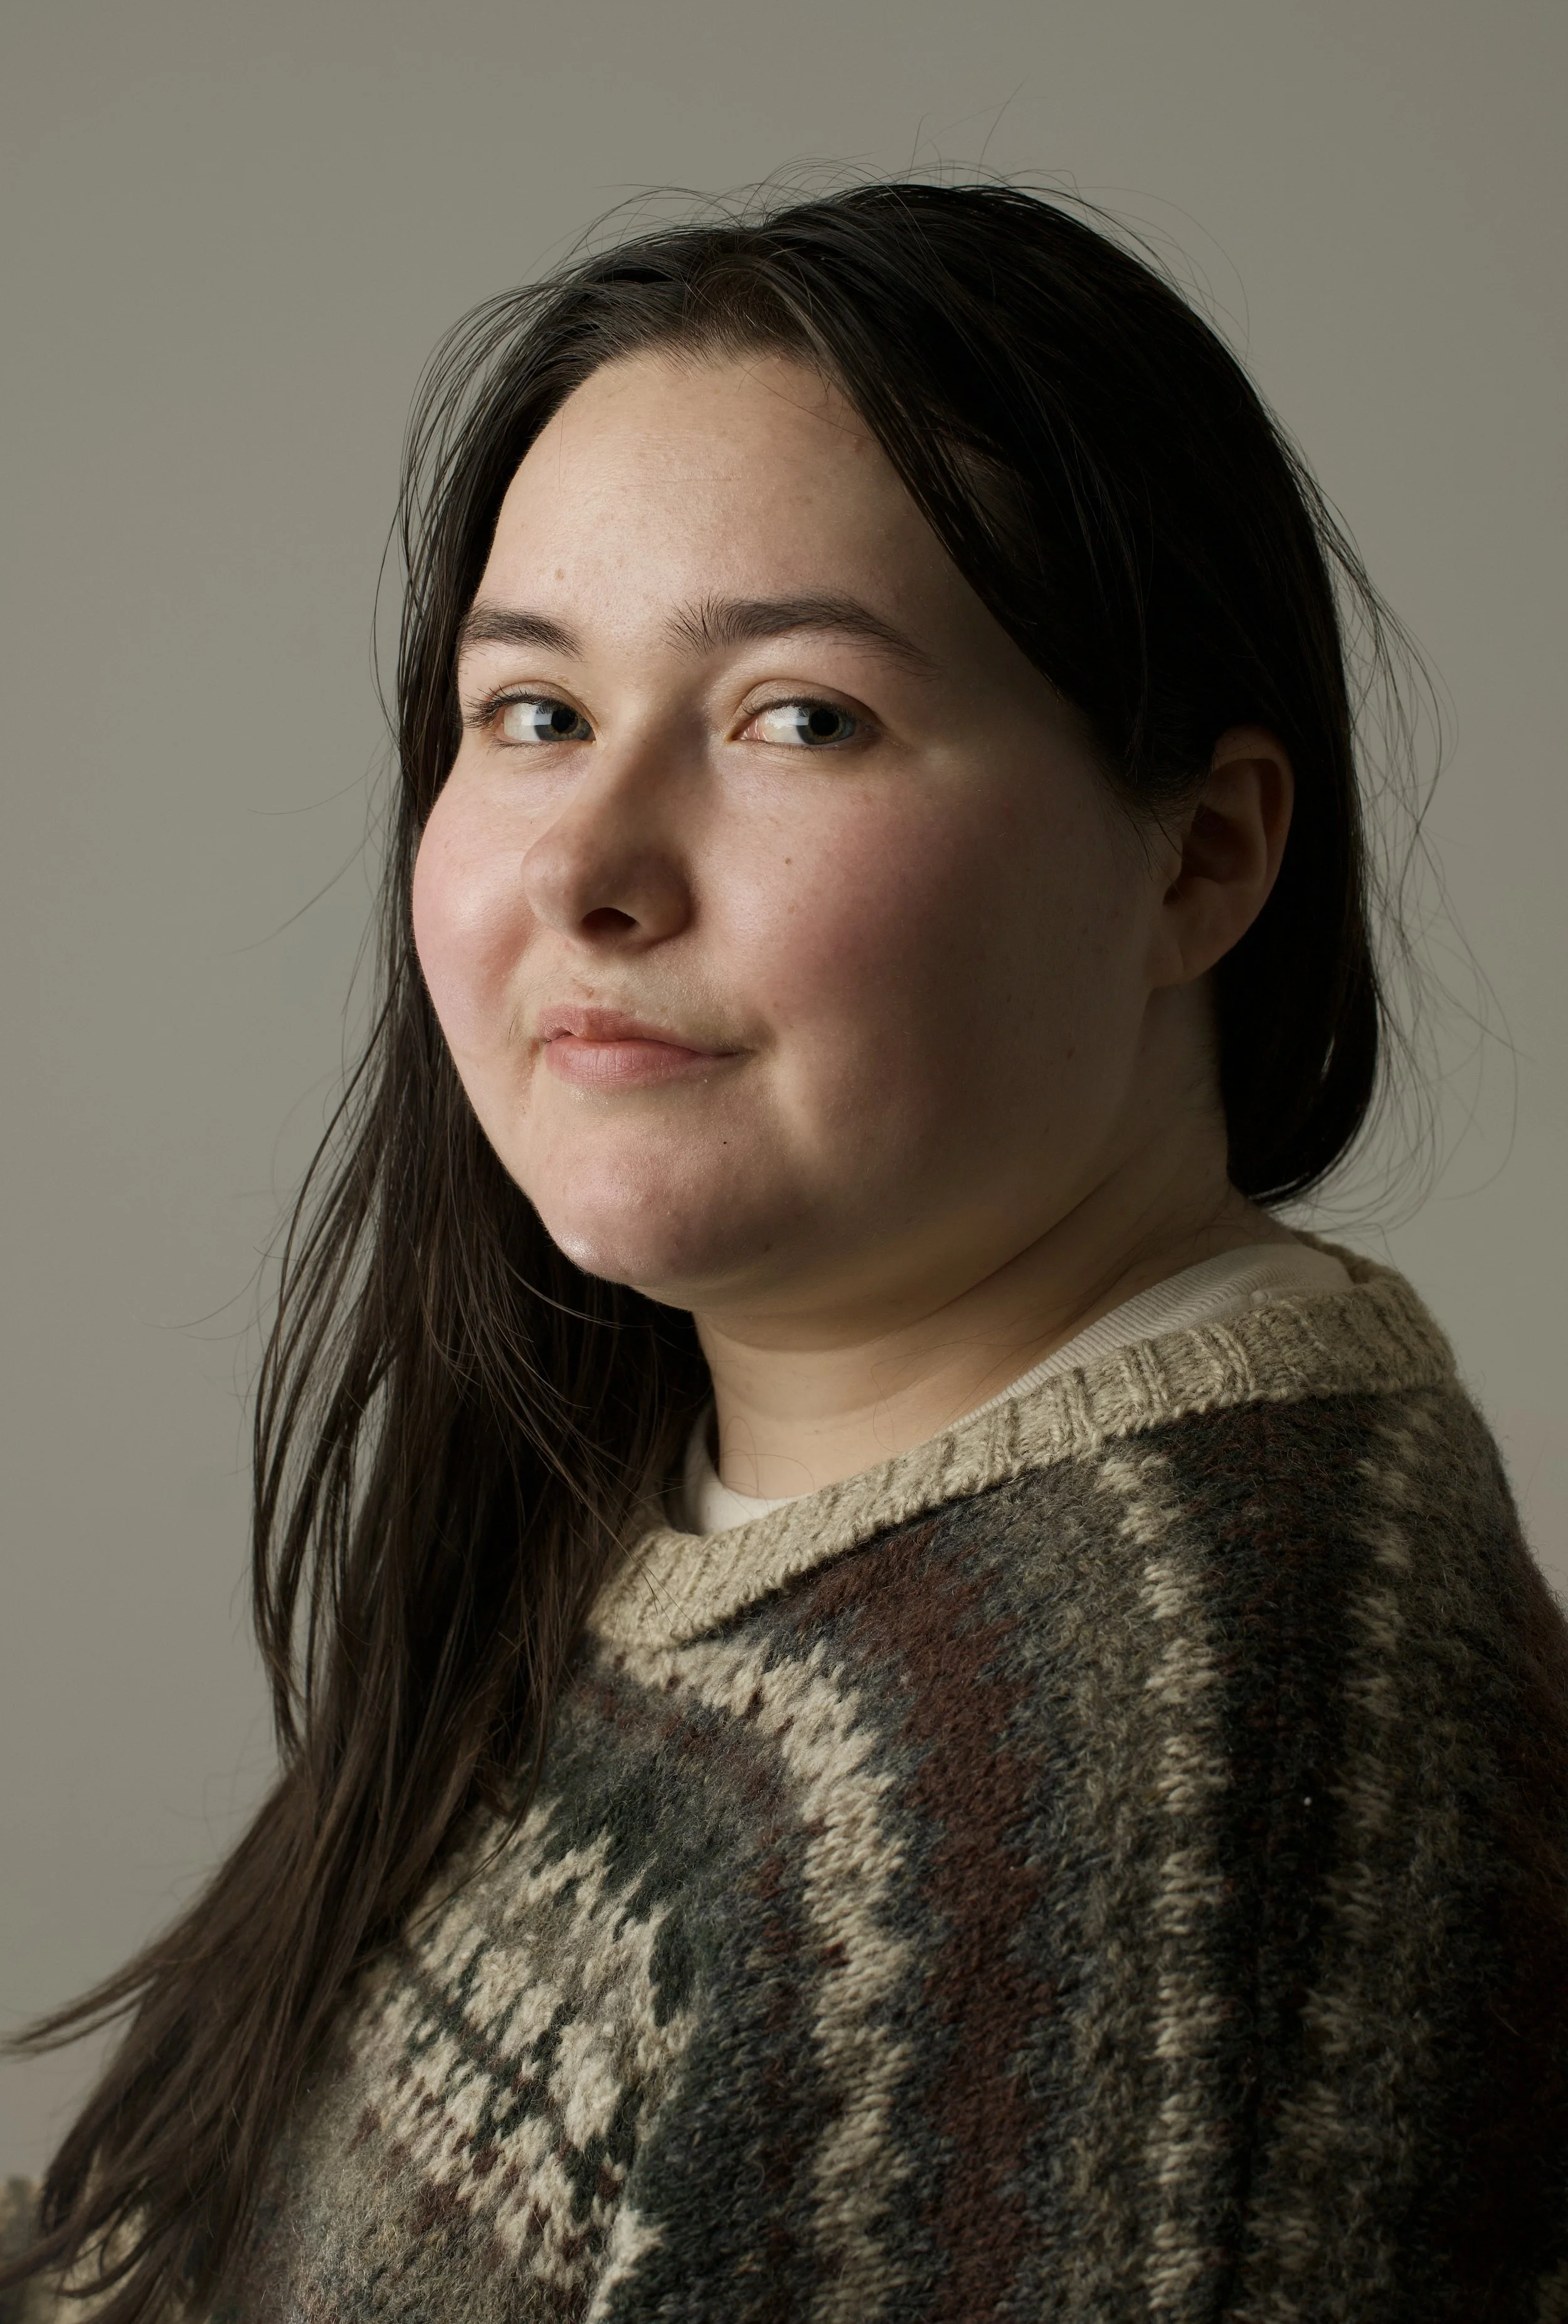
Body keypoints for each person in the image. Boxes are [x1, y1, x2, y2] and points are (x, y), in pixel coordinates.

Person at [4, 178, 1566, 2324]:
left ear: (1201, 859)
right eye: (533, 712)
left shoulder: (1148, 1766)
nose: (589, 865)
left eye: (797, 716)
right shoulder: (712, 1492)